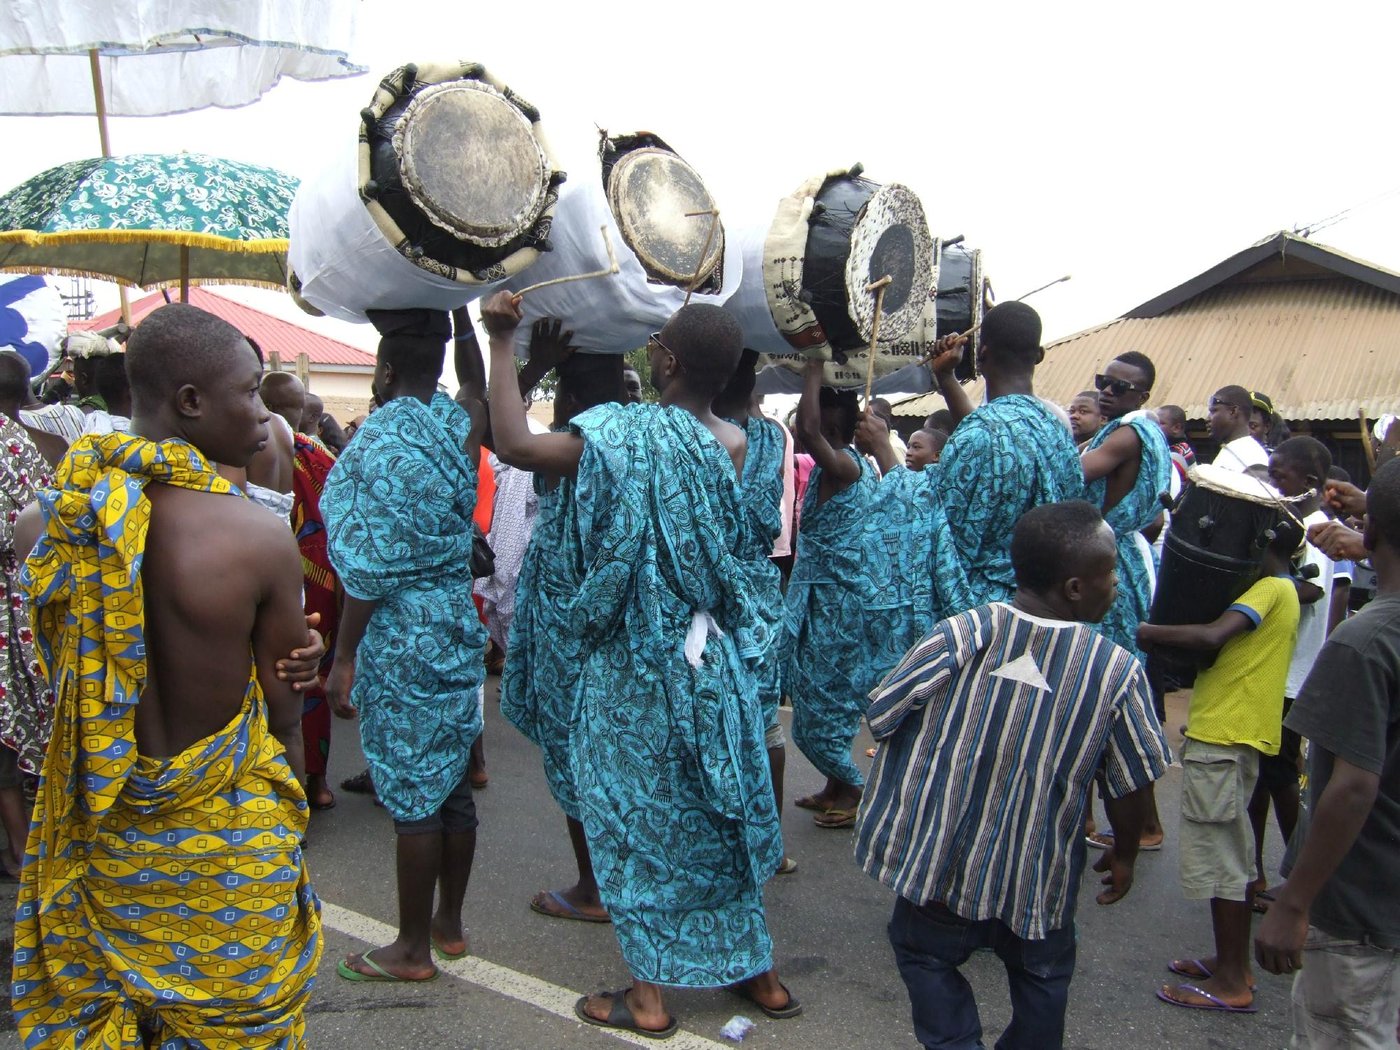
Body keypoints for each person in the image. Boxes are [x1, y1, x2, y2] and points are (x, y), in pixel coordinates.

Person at [483, 291, 796, 1038]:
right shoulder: (736, 441)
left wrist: (502, 343)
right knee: (722, 812)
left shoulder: (620, 436)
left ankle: (649, 997)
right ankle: (760, 974)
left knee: (636, 825)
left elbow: (515, 446)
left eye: (655, 344)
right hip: (710, 658)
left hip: (636, 670)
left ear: (667, 361)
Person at [12, 303, 323, 1045]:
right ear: (190, 402)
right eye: (248, 391)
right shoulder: (256, 537)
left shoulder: (47, 526)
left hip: (106, 844)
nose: (261, 412)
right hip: (228, 858)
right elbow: (283, 718)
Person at [855, 500, 1171, 1050]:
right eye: (1112, 572)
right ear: (1074, 587)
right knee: (1042, 981)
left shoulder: (961, 633)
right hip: (1038, 878)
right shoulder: (1116, 671)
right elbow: (1131, 784)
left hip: (940, 867)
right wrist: (1125, 853)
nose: (1118, 584)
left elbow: (884, 712)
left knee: (924, 955)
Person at [322, 307, 485, 983]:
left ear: (383, 372)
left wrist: (344, 656)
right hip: (455, 619)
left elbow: (366, 568)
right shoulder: (454, 426)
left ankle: (411, 948)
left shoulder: (374, 448)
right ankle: (448, 923)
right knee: (451, 786)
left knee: (414, 798)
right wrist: (462, 312)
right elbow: (477, 392)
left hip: (401, 630)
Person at [1255, 458, 1400, 1047]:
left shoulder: (1364, 642)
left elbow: (1353, 786)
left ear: (1373, 532)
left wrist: (1295, 899)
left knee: (1346, 1029)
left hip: (1355, 902)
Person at [1138, 521, 1302, 1013]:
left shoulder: (1269, 588)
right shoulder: (1282, 587)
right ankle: (1227, 960)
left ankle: (1233, 979)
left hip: (1227, 735)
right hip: (1234, 731)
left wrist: (1143, 630)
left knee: (1222, 860)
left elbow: (1213, 635)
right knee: (1230, 851)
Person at [502, 348, 627, 923]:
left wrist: (508, 347)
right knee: (611, 758)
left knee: (578, 757)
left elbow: (506, 441)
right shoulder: (633, 445)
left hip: (571, 631)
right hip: (615, 627)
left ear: (571, 404)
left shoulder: (578, 448)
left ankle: (593, 889)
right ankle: (615, 878)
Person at [786, 362, 881, 828]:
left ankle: (854, 789)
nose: (805, 424)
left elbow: (804, 426)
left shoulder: (846, 466)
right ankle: (833, 786)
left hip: (837, 605)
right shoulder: (835, 466)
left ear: (833, 423)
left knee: (828, 695)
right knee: (809, 691)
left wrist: (813, 367)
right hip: (818, 599)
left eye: (816, 413)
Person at [714, 349, 796, 871]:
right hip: (763, 592)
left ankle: (720, 844)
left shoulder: (697, 435)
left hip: (716, 593)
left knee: (714, 719)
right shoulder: (774, 437)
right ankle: (771, 848)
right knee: (765, 727)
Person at [1249, 438, 1333, 906]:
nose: (1274, 483)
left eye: (1279, 476)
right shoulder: (1295, 525)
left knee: (1279, 774)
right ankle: (1254, 869)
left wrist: (1263, 578)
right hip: (1275, 670)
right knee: (1261, 774)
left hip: (1291, 673)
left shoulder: (1314, 530)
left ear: (1309, 484)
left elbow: (1313, 592)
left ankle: (1301, 876)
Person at [262, 369, 344, 813]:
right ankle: (317, 782)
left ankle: (281, 785)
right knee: (311, 678)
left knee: (282, 676)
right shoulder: (319, 455)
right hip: (319, 579)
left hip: (275, 573)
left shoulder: (248, 450)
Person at [0, 353, 53, 878]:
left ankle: (21, 849)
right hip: (28, 597)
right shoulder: (31, 440)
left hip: (8, 600)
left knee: (10, 722)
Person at [1208, 385, 1268, 474]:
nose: (1208, 418)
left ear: (1233, 411)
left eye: (1214, 411)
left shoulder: (1248, 454)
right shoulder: (1236, 449)